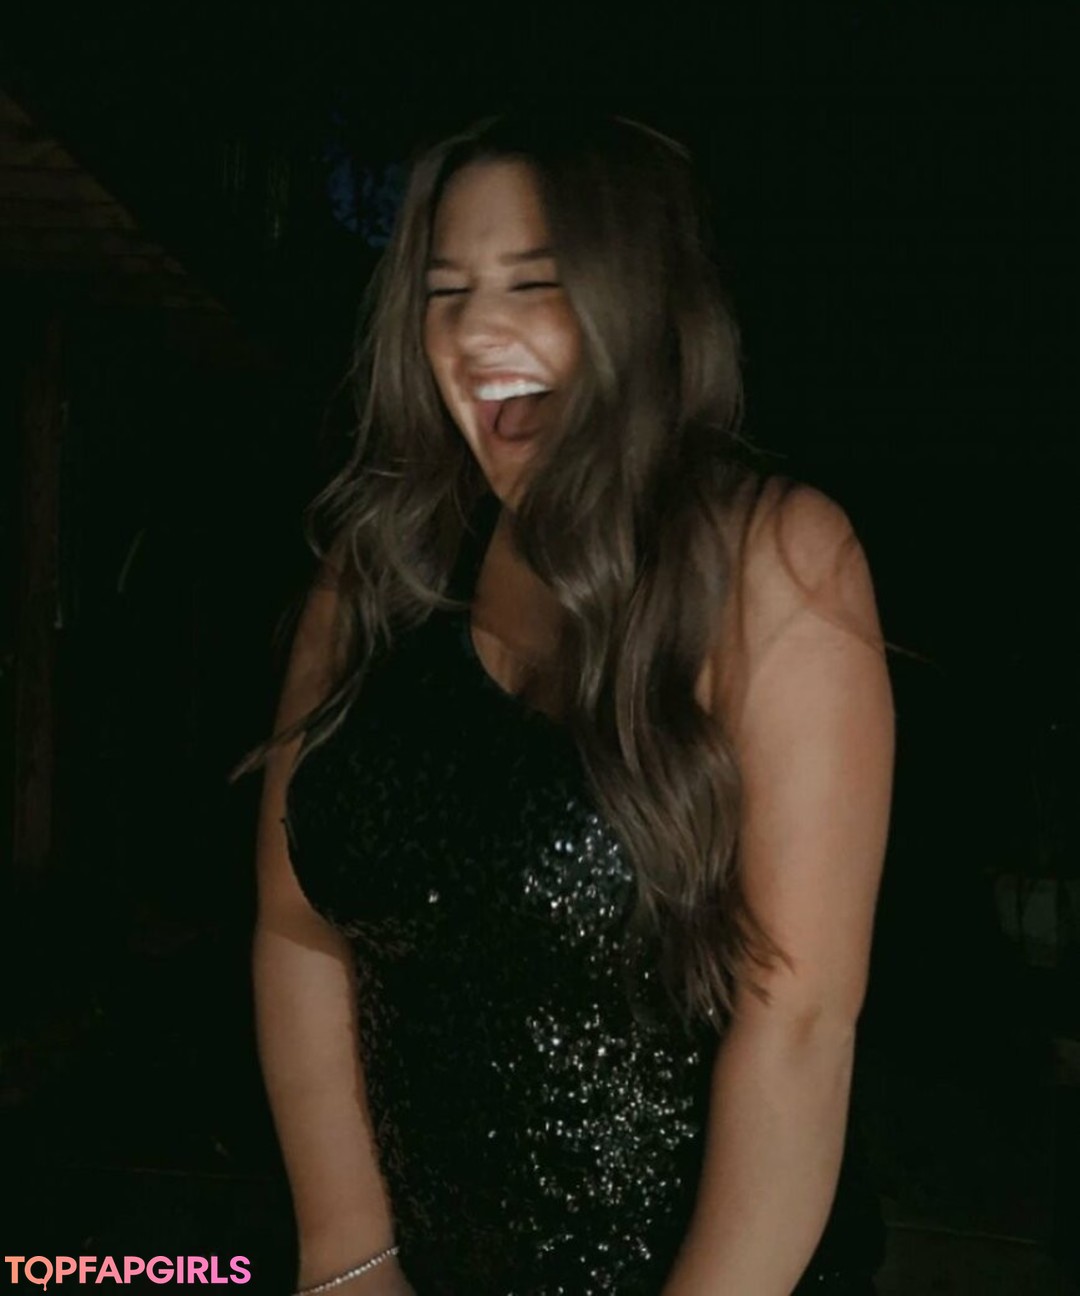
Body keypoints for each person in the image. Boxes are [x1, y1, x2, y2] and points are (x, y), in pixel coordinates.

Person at [245, 114, 894, 1295]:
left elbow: (799, 1027)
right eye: (447, 291)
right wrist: (348, 1259)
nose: (474, 331)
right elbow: (298, 929)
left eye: (534, 283)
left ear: (640, 306)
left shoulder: (772, 561)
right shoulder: (377, 571)